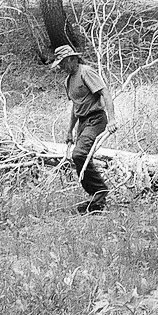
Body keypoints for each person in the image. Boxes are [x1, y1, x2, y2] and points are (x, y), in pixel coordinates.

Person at [49, 44, 114, 213]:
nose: (62, 68)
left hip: (96, 119)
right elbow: (75, 107)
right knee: (79, 159)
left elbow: (105, 93)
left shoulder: (86, 72)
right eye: (60, 65)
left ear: (72, 59)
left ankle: (99, 192)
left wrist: (113, 120)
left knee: (79, 154)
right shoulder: (68, 81)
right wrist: (69, 131)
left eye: (63, 63)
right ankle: (96, 203)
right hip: (83, 123)